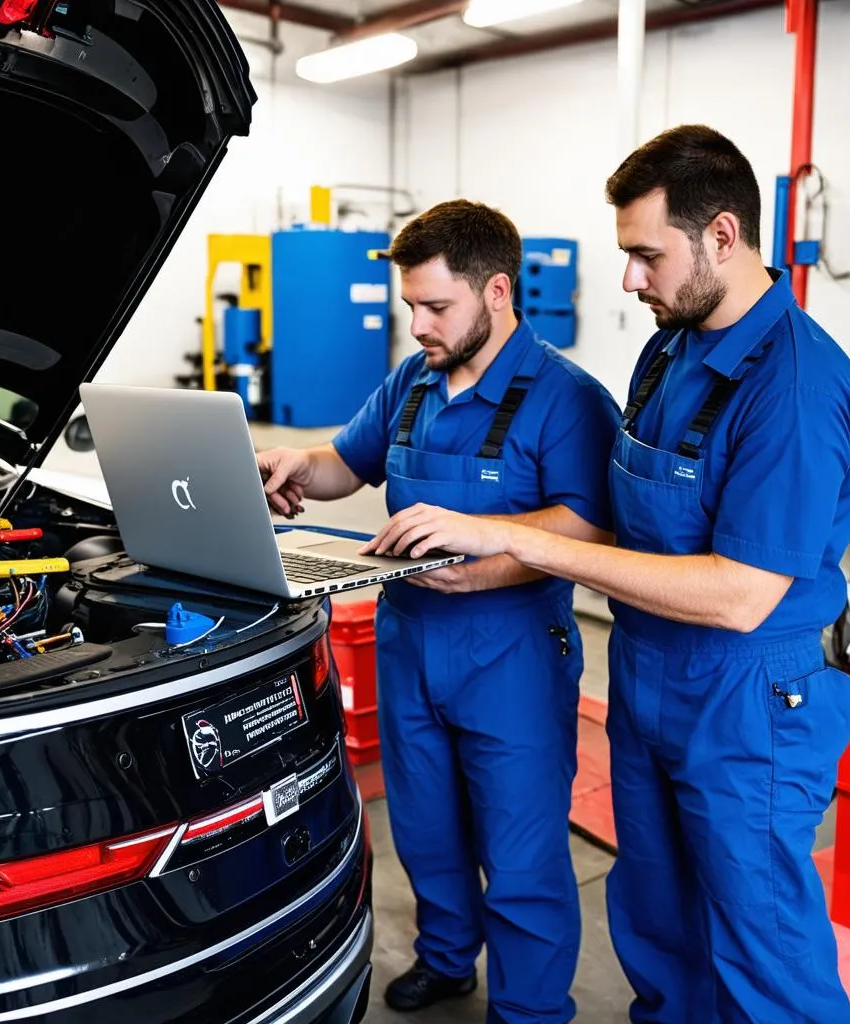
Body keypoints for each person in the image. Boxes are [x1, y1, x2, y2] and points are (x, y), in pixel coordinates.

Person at [365, 126, 850, 1024]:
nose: (631, 279)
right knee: (656, 925)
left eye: (647, 255)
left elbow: (740, 593)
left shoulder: (792, 386)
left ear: (722, 236)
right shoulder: (668, 353)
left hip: (748, 700)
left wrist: (517, 543)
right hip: (647, 674)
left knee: (762, 945)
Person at [256, 199, 620, 1023]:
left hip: (513, 657)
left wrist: (486, 557)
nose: (417, 323)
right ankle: (448, 959)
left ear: (496, 292)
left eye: (435, 307)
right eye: (409, 305)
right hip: (411, 645)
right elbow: (347, 463)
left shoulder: (568, 399)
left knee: (522, 856)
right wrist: (295, 465)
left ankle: (529, 1010)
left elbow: (593, 524)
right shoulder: (412, 381)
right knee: (425, 831)